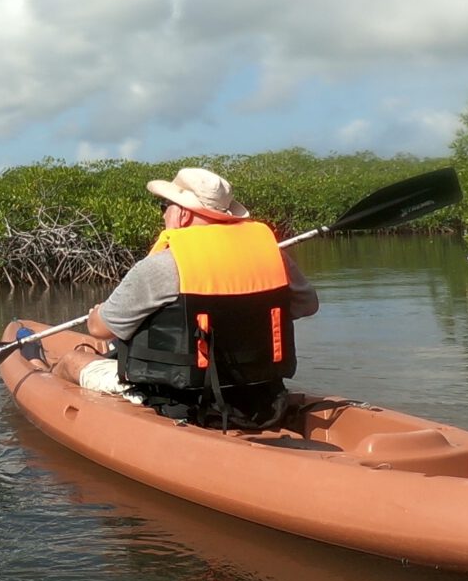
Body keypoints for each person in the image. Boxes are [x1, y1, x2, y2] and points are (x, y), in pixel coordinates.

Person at [42, 167, 319, 430]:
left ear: (183, 215)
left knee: (71, 360)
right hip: (261, 394)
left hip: (180, 401)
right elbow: (307, 305)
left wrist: (96, 312)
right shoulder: (275, 258)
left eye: (165, 206)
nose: (163, 214)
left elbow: (99, 329)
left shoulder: (161, 266)